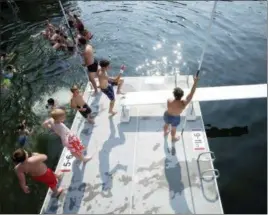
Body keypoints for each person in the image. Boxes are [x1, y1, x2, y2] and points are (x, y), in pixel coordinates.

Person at [163, 76, 199, 142]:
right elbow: (191, 94)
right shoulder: (183, 103)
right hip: (175, 118)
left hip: (167, 115)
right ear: (182, 96)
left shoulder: (169, 100)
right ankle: (173, 138)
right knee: (173, 129)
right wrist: (195, 82)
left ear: (174, 94)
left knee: (166, 124)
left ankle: (165, 133)